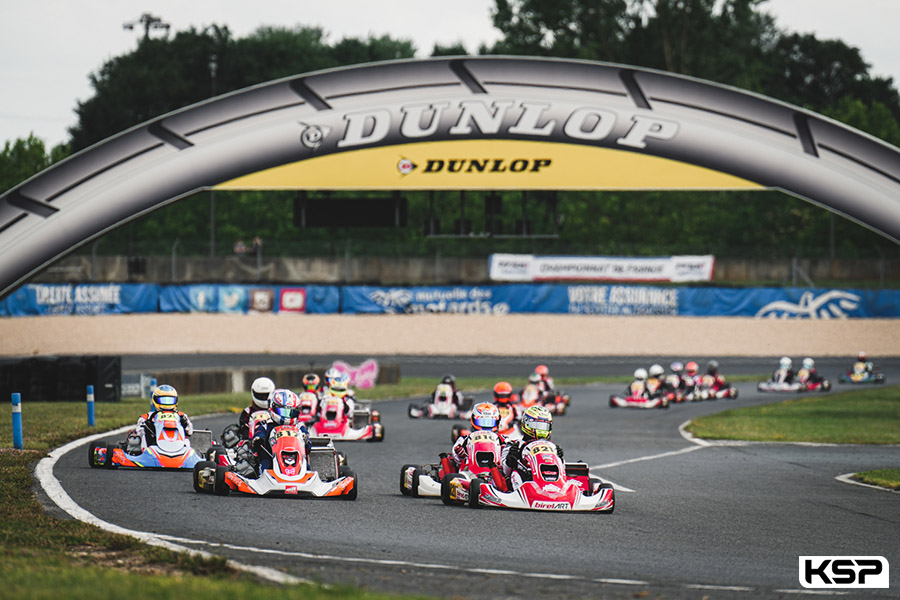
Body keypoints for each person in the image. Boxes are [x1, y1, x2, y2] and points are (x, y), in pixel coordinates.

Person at [244, 389, 309, 476]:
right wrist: (258, 439)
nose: (287, 417)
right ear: (272, 408)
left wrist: (306, 440)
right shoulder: (266, 424)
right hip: (271, 457)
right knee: (265, 464)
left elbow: (308, 447)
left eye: (291, 412)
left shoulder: (299, 427)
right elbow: (259, 433)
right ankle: (263, 479)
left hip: (296, 457)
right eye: (283, 411)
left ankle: (305, 478)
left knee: (307, 466)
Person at [501, 406, 563, 491]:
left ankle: (559, 490)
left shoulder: (552, 447)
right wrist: (511, 459)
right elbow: (505, 472)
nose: (540, 430)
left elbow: (562, 470)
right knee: (516, 473)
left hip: (550, 479)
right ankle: (519, 494)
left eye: (544, 426)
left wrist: (560, 459)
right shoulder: (514, 445)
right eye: (536, 425)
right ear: (525, 424)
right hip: (525, 481)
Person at [127, 384, 194, 454]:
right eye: (163, 400)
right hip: (155, 444)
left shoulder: (181, 416)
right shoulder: (147, 416)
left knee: (185, 437)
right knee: (144, 432)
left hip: (179, 444)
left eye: (170, 400)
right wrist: (149, 426)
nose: (167, 404)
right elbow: (139, 432)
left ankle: (185, 453)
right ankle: (146, 453)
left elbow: (190, 432)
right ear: (155, 400)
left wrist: (185, 424)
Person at [449, 402, 505, 471]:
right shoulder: (465, 439)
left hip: (497, 473)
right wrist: (461, 455)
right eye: (481, 422)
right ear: (473, 420)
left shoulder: (503, 439)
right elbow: (455, 455)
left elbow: (509, 459)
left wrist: (505, 451)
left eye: (490, 422)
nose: (485, 426)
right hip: (469, 472)